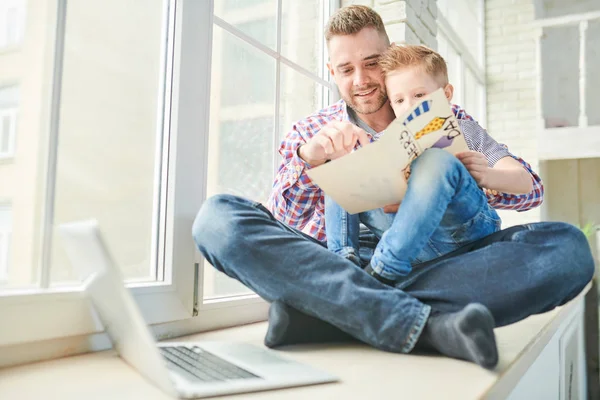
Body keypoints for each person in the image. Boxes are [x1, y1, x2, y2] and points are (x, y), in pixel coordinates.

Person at [192, 5, 594, 369]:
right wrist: (310, 159)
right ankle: (428, 326)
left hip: (450, 262)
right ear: (332, 72)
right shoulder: (311, 131)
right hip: (350, 262)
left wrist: (476, 175)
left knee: (569, 249)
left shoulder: (444, 115)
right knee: (217, 220)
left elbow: (531, 191)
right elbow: (286, 219)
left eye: (371, 64)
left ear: (387, 60)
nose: (362, 80)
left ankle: (329, 313)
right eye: (347, 70)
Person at [324, 44, 543, 286]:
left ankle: (383, 269)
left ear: (446, 94)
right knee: (343, 176)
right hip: (413, 243)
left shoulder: (465, 129)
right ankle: (343, 265)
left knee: (436, 160)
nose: (409, 107)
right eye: (399, 100)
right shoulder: (391, 142)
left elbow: (526, 183)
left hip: (464, 234)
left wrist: (486, 175)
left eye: (419, 96)